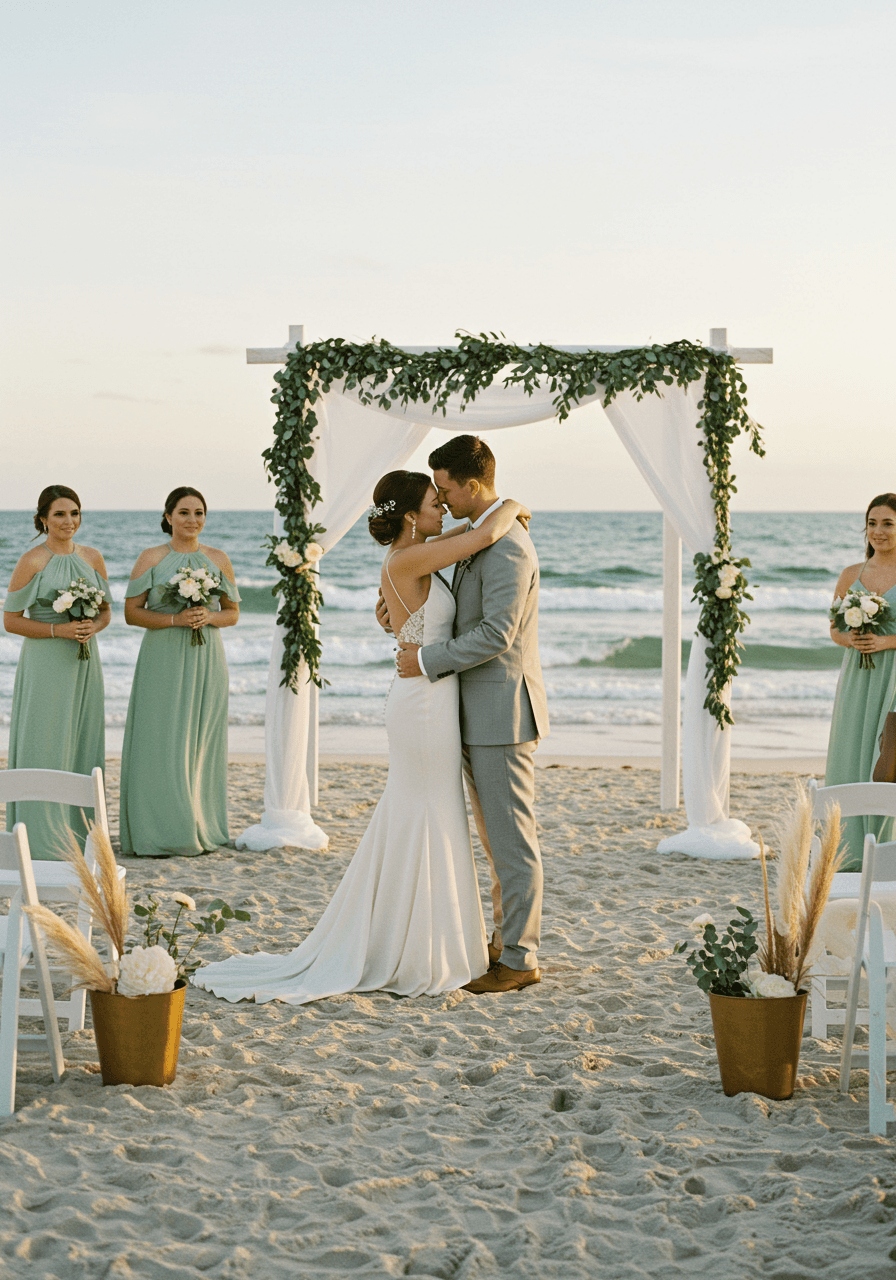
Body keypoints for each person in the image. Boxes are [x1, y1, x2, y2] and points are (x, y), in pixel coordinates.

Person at [194, 471, 529, 1003]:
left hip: (432, 696)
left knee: (432, 811)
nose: (442, 509)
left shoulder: (416, 553)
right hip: (423, 704)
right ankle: (418, 945)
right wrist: (509, 504)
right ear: (410, 516)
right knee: (426, 810)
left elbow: (462, 544)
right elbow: (483, 534)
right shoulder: (406, 560)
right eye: (433, 502)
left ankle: (431, 938)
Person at [394, 435, 549, 994]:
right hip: (471, 711)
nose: (441, 497)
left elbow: (496, 634)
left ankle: (521, 958)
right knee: (494, 839)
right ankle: (503, 944)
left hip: (502, 714)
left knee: (512, 842)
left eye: (445, 488)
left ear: (473, 484)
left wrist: (425, 659)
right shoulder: (481, 533)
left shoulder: (508, 547)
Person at [119, 487, 240, 857]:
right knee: (158, 739)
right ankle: (158, 828)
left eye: (199, 512)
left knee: (201, 741)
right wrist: (175, 619)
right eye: (184, 512)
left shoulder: (218, 558)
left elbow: (232, 612)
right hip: (162, 657)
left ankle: (198, 822)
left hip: (206, 658)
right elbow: (131, 613)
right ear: (168, 516)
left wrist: (209, 616)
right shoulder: (151, 557)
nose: (192, 520)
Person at [3, 485, 111, 858]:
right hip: (45, 662)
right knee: (44, 740)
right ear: (43, 519)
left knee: (81, 739)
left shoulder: (93, 557)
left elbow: (106, 612)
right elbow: (11, 621)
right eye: (60, 514)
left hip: (84, 661)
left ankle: (79, 837)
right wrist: (58, 630)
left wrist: (93, 626)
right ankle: (40, 837)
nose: (69, 521)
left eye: (74, 513)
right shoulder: (32, 560)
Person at [825, 492, 896, 870]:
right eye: (872, 523)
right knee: (852, 748)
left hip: (894, 678)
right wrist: (851, 639)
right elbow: (835, 630)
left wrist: (887, 641)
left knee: (887, 758)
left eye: (888, 523)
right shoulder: (851, 575)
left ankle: (885, 848)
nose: (878, 531)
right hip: (858, 677)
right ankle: (848, 850)